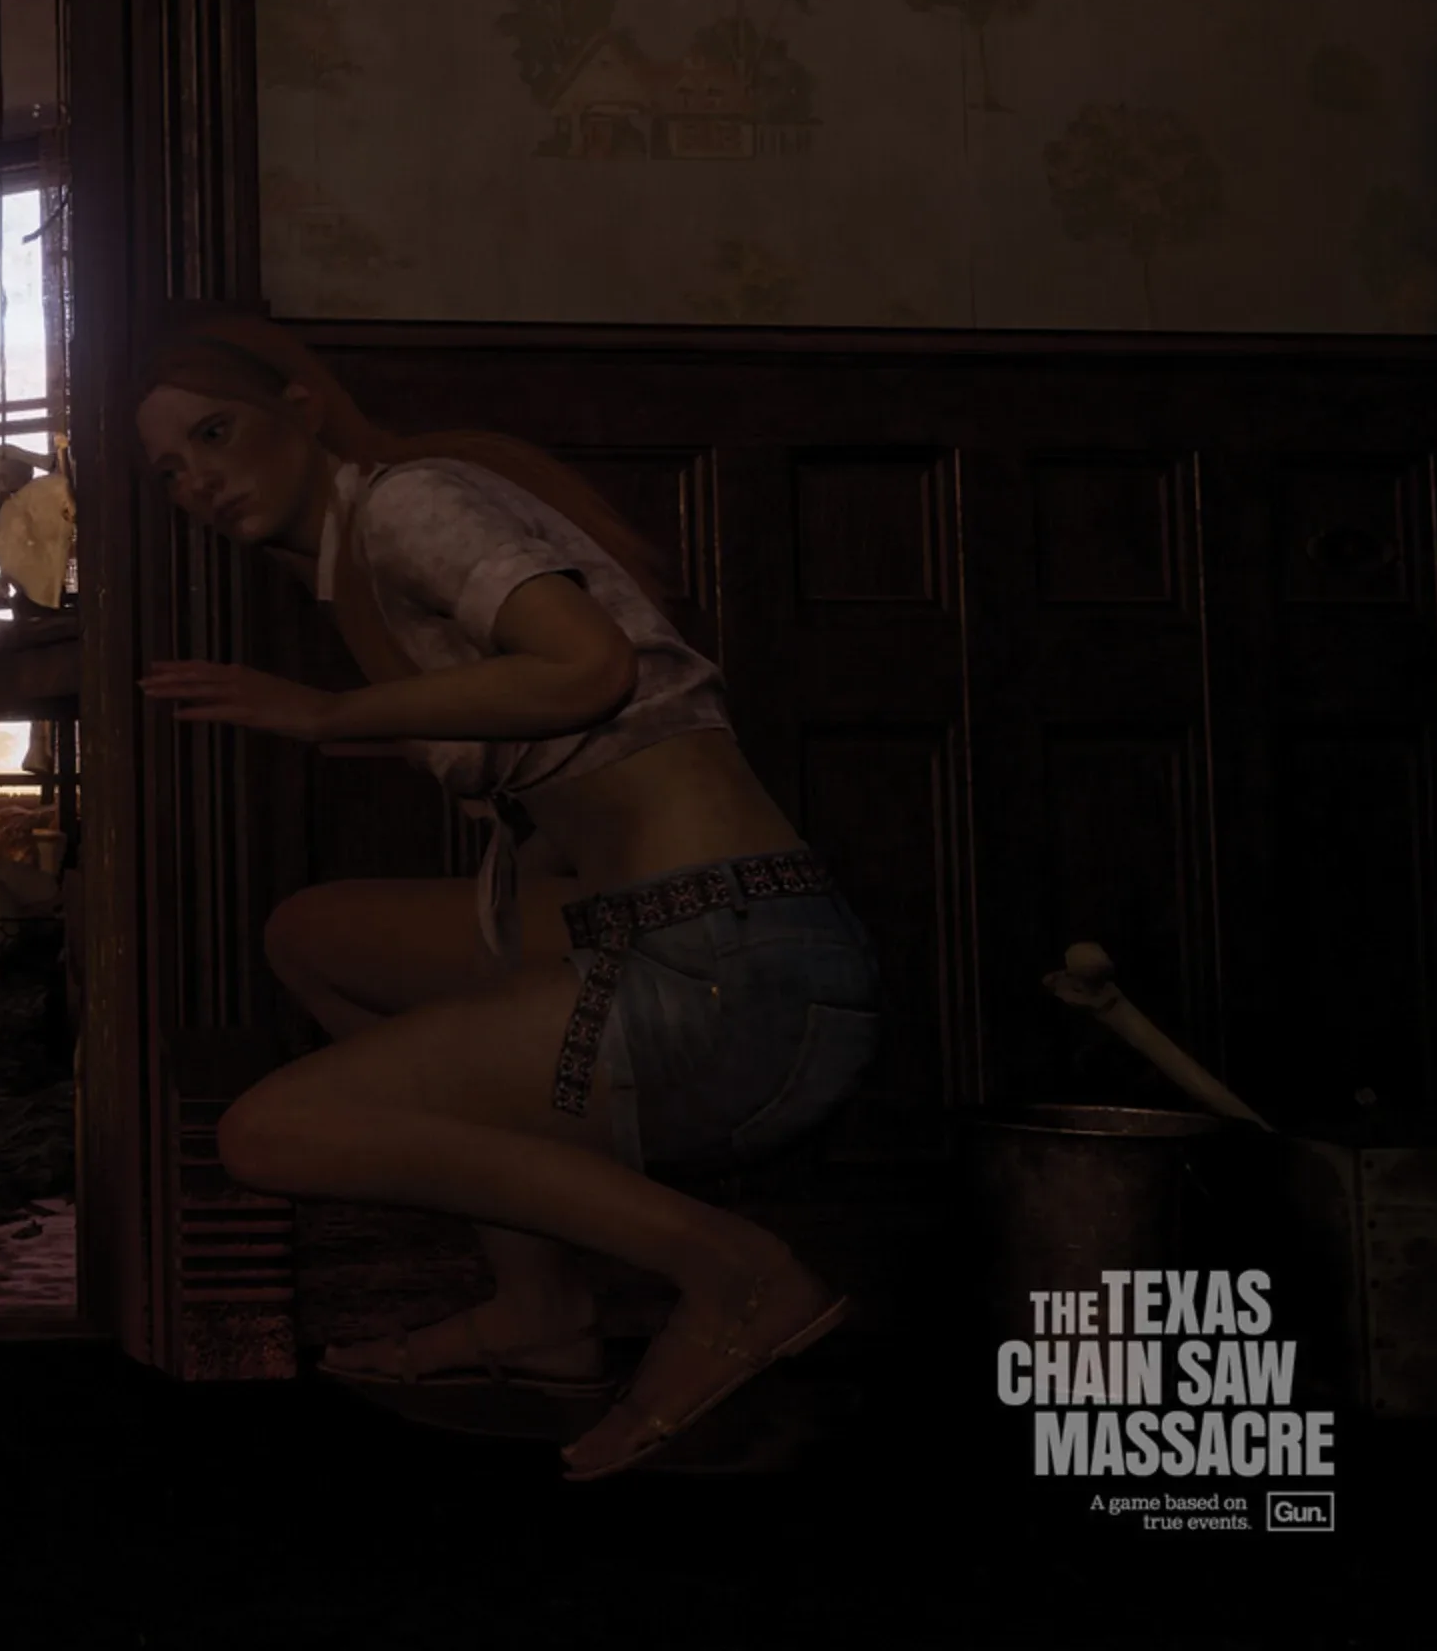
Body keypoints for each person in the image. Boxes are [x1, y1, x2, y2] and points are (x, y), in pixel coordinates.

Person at [131, 308, 881, 1480]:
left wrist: (330, 717)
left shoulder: (405, 502)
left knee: (269, 1133)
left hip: (736, 981)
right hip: (698, 936)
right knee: (316, 938)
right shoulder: (359, 562)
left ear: (301, 409)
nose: (199, 482)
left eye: (215, 434)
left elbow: (590, 667)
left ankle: (736, 1273)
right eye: (173, 471)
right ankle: (541, 1310)